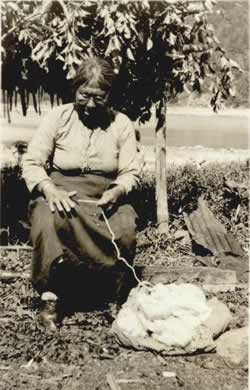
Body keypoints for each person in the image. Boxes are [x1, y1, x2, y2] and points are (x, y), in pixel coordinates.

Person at [22, 56, 143, 331]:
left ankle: (114, 295)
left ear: (109, 95)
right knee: (47, 219)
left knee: (125, 228)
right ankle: (50, 298)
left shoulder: (121, 124)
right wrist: (50, 190)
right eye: (84, 95)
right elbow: (32, 162)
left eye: (98, 98)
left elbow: (130, 171)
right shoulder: (58, 117)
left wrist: (118, 190)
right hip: (60, 194)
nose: (90, 104)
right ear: (74, 89)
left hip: (104, 199)